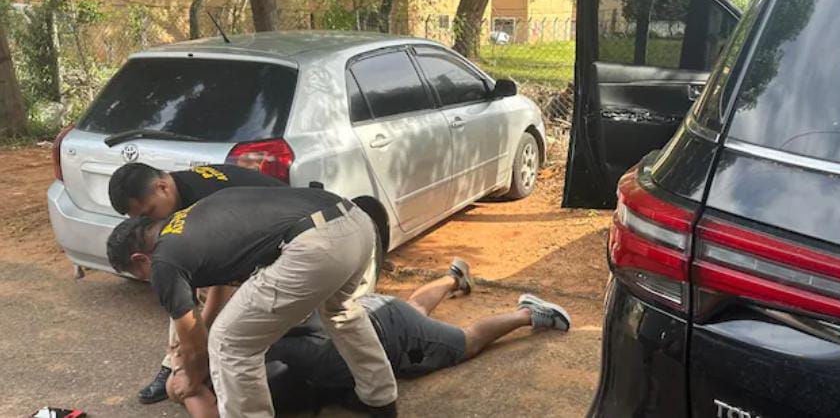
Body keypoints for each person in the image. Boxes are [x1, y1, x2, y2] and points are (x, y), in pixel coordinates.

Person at [106, 186, 398, 417]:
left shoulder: (164, 260)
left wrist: (190, 379)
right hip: (356, 221)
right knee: (342, 312)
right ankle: (380, 401)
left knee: (228, 343)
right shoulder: (195, 217)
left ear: (139, 258)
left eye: (141, 275)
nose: (149, 280)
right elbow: (218, 293)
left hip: (313, 245)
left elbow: (194, 341)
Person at [163, 259, 571, 416]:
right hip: (359, 315)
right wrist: (187, 380)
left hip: (380, 332)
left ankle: (528, 313)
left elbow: (208, 409)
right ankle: (453, 277)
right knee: (414, 308)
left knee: (465, 342)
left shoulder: (236, 341)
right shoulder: (245, 314)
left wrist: (190, 389)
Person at [108, 162, 284, 405]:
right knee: (177, 289)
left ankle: (199, 371)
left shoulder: (206, 201)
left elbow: (225, 277)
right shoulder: (175, 192)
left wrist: (202, 336)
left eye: (148, 213)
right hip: (260, 240)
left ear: (162, 188)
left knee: (227, 333)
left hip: (286, 239)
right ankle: (175, 363)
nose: (149, 222)